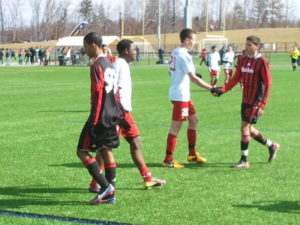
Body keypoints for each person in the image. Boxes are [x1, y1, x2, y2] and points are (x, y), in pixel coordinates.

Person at [89, 39, 166, 191]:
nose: (136, 52)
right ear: (125, 50)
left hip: (123, 112)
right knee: (106, 147)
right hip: (119, 112)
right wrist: (116, 111)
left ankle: (147, 177)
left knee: (133, 142)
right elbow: (111, 88)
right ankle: (95, 182)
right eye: (134, 49)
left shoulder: (122, 64)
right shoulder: (119, 65)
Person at [211, 35, 280, 168]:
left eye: (250, 45)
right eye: (246, 44)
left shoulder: (262, 62)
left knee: (244, 127)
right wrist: (222, 90)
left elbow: (268, 84)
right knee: (250, 129)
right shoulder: (242, 60)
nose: (246, 47)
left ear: (257, 47)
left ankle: (244, 160)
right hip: (245, 99)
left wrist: (262, 104)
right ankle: (272, 146)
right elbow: (236, 79)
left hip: (256, 100)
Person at [76, 32, 119, 204]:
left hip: (99, 116)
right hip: (112, 114)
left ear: (93, 44)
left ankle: (106, 187)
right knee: (106, 149)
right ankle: (111, 195)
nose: (85, 50)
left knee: (82, 151)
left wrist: (94, 119)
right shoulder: (109, 62)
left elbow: (99, 93)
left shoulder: (96, 65)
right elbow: (114, 92)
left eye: (86, 46)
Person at [162, 28, 212, 168]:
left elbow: (173, 72)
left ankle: (192, 154)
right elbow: (193, 78)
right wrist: (211, 88)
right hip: (180, 96)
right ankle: (168, 159)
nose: (195, 43)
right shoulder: (184, 55)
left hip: (182, 95)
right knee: (176, 127)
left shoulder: (175, 52)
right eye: (194, 40)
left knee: (194, 120)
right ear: (187, 40)